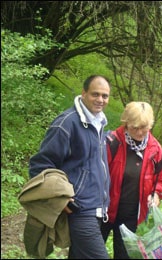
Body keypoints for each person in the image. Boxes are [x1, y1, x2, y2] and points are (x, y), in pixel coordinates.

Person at [28, 75, 112, 259]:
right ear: (83, 93)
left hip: (97, 209)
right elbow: (40, 165)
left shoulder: (98, 122)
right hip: (80, 211)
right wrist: (62, 198)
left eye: (105, 96)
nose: (100, 100)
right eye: (95, 94)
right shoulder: (67, 123)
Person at [101, 101, 162, 259]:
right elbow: (96, 174)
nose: (139, 132)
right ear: (126, 123)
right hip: (104, 210)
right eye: (134, 128)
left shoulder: (155, 149)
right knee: (87, 253)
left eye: (144, 127)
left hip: (131, 215)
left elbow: (161, 180)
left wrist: (157, 195)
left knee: (123, 255)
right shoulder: (111, 142)